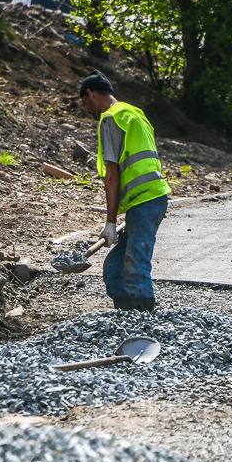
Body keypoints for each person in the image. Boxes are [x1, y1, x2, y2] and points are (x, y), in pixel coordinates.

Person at [79, 70, 171, 312]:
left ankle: (144, 319)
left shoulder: (110, 118)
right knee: (114, 268)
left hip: (146, 201)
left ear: (90, 94)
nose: (88, 110)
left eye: (85, 103)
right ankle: (126, 315)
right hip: (147, 200)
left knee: (135, 262)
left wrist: (110, 222)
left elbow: (112, 173)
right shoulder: (134, 113)